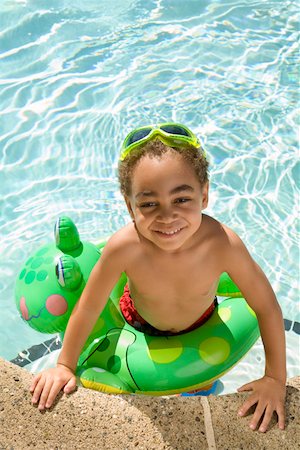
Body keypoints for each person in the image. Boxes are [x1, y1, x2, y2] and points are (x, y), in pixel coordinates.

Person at [30, 123, 286, 433]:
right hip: (139, 324)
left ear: (204, 195)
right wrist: (64, 365)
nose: (167, 217)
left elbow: (266, 306)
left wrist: (274, 378)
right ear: (129, 206)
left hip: (203, 321)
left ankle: (201, 389)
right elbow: (89, 306)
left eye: (181, 200)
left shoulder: (222, 244)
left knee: (200, 384)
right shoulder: (125, 247)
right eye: (149, 204)